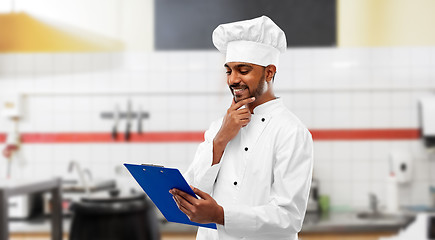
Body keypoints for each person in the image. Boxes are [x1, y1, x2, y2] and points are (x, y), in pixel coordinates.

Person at [169, 15, 313, 240]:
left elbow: (289, 216)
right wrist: (220, 140)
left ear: (269, 72)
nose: (232, 80)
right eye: (228, 70)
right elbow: (192, 190)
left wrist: (220, 215)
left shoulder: (291, 132)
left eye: (243, 70)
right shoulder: (219, 127)